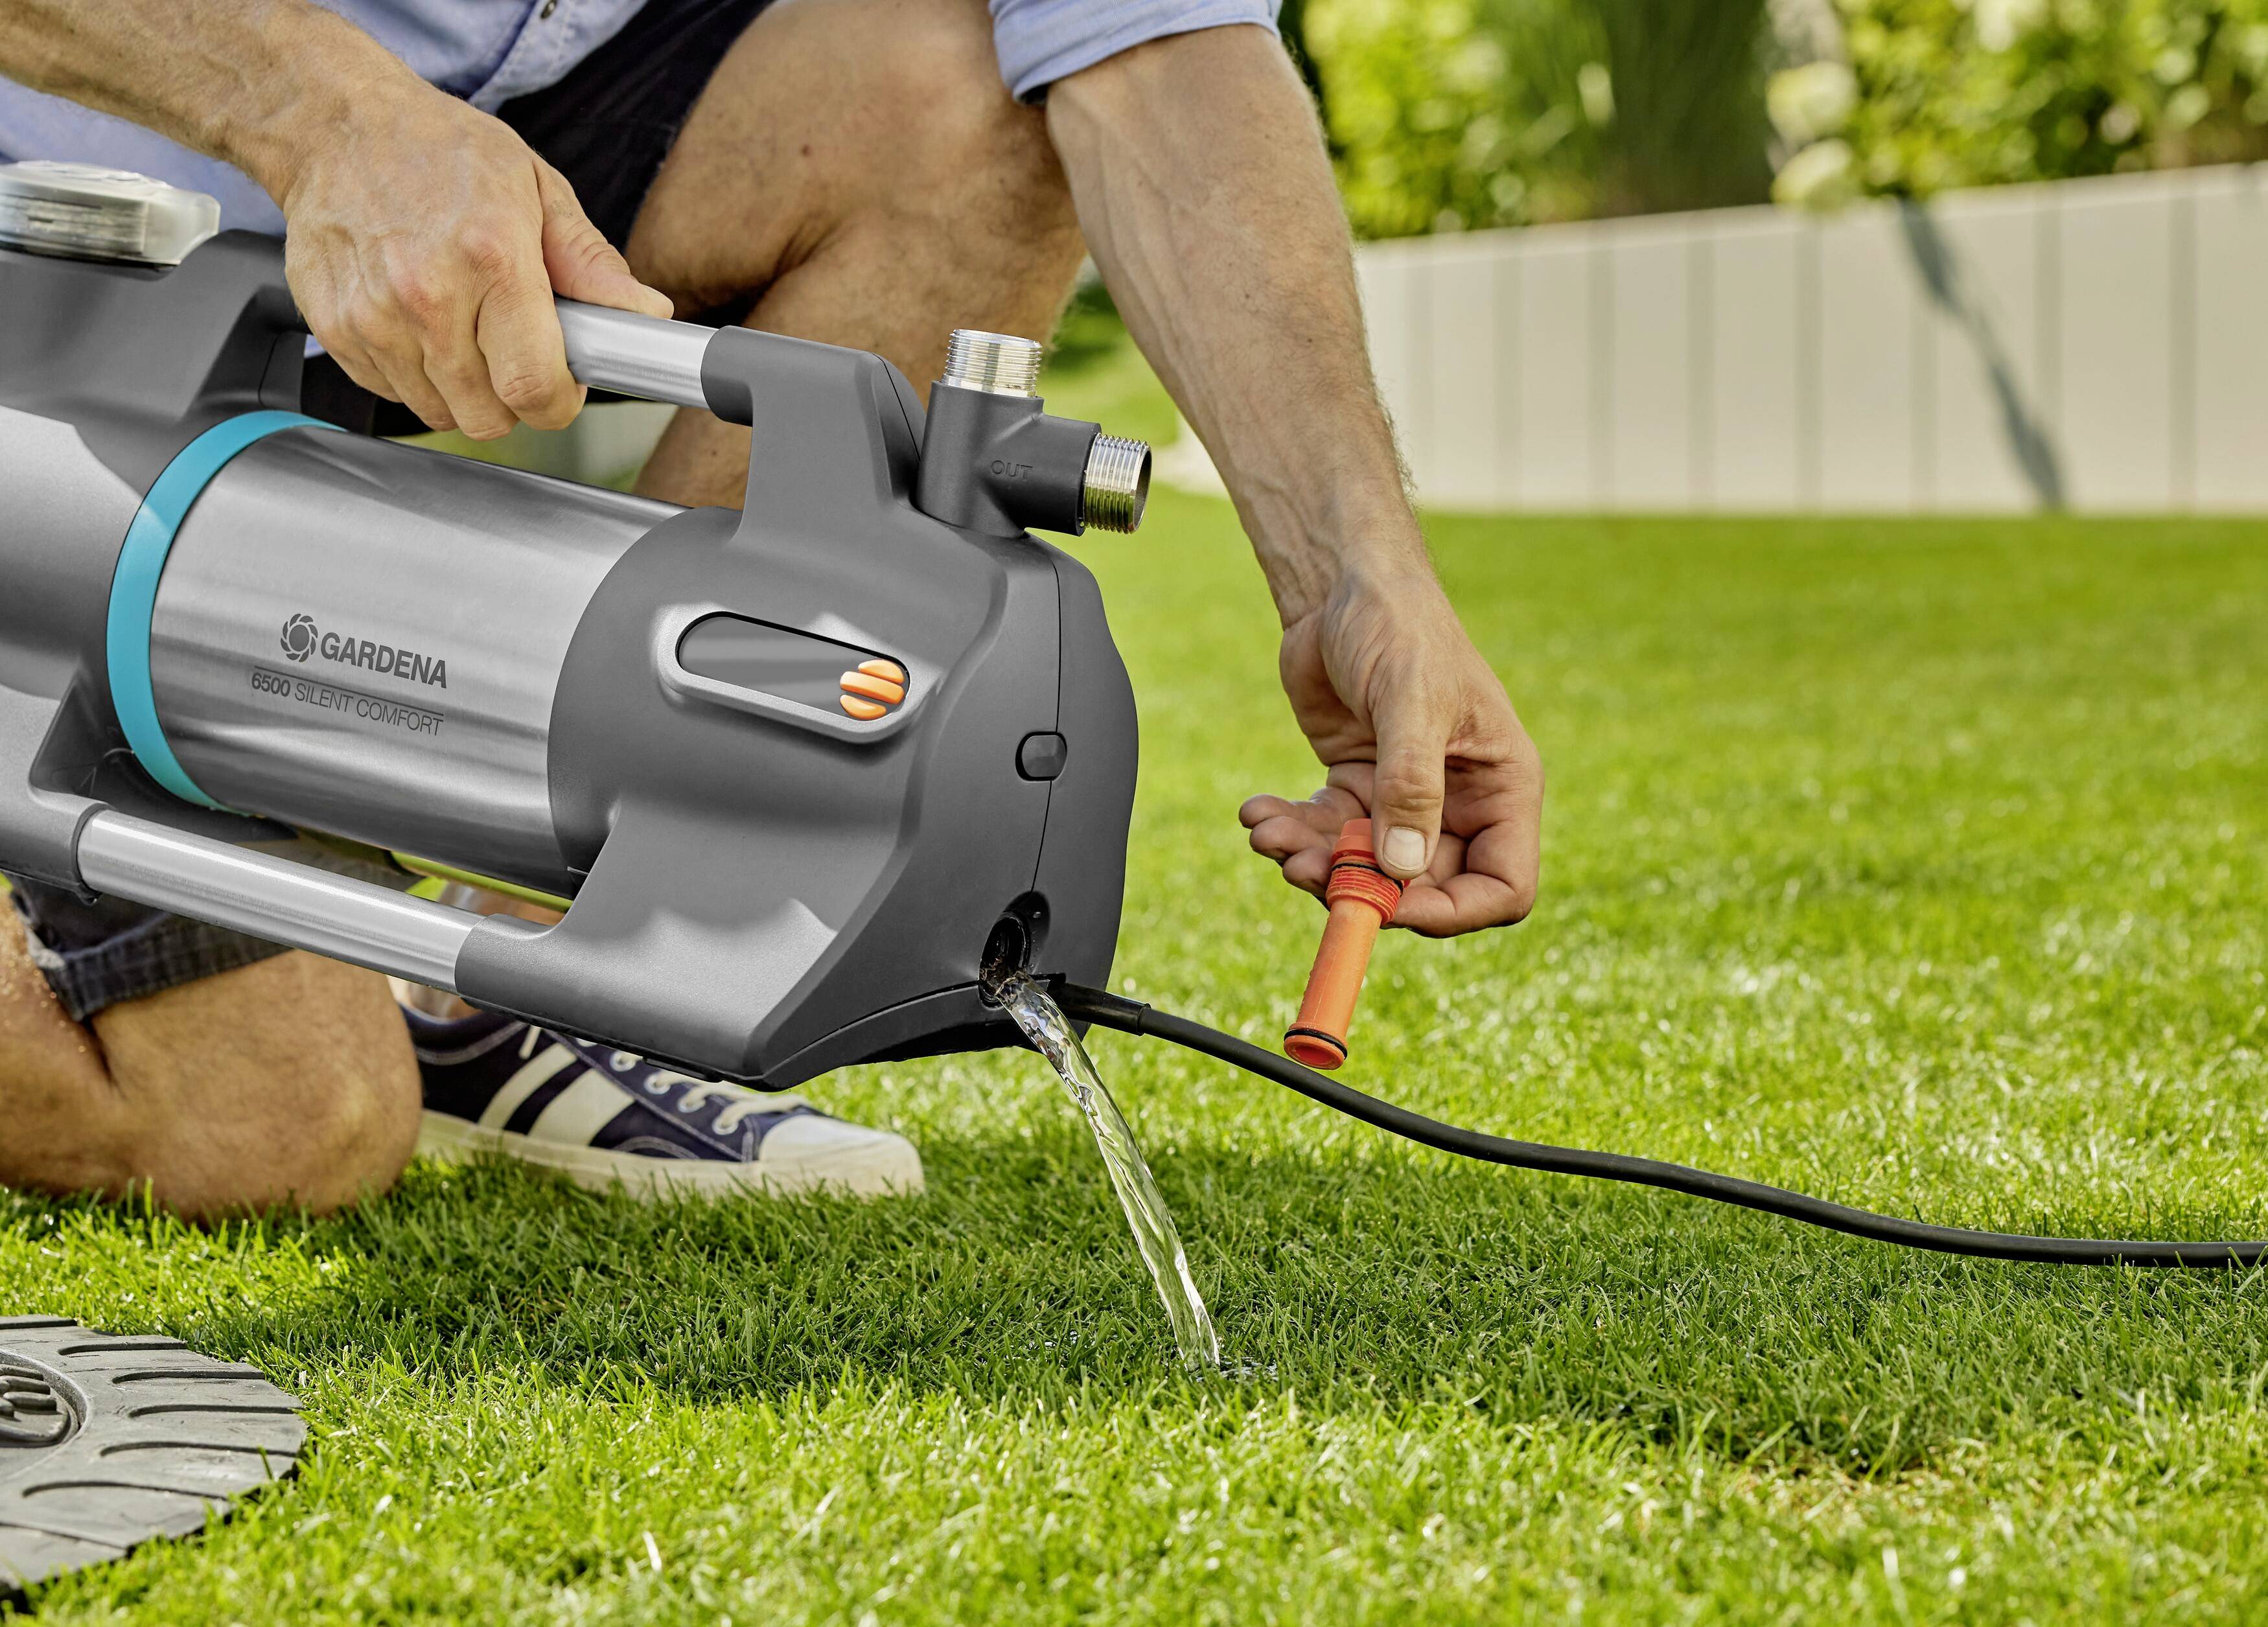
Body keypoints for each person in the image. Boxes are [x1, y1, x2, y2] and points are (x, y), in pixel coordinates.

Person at [0, 0, 1544, 1217]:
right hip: (83, 200)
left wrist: (1357, 575)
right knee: (278, 1130)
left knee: (961, 90)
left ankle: (511, 950)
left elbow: (1143, 41)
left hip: (475, 151)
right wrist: (323, 114)